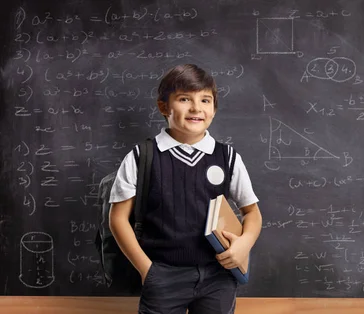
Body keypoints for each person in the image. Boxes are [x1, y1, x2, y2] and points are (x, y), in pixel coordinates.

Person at [108, 64, 262, 314]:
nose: (196, 108)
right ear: (163, 107)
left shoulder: (227, 157)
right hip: (162, 274)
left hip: (218, 277)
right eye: (184, 99)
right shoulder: (142, 156)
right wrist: (148, 271)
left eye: (205, 100)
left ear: (213, 109)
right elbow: (117, 219)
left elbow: (252, 212)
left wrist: (244, 243)